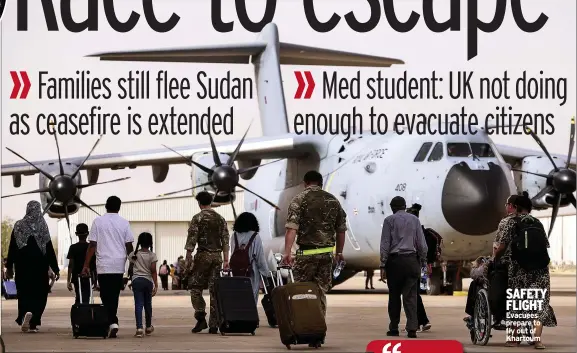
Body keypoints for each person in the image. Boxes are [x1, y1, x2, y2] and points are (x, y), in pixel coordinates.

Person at [281, 170, 347, 345]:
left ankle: (303, 329)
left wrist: (287, 253)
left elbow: (291, 229)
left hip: (306, 255)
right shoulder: (333, 201)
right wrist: (339, 253)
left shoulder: (299, 199)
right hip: (326, 255)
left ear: (305, 183)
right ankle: (318, 333)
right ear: (321, 183)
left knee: (300, 293)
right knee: (319, 293)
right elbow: (341, 230)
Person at [494, 192, 556, 349]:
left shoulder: (507, 222)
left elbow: (501, 246)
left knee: (517, 301)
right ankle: (538, 340)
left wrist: (494, 259)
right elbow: (545, 246)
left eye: (508, 205)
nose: (506, 207)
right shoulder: (537, 222)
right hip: (541, 268)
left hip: (518, 268)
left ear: (514, 207)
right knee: (539, 303)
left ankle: (513, 339)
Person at [81, 196, 134, 338]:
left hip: (103, 264)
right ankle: (112, 321)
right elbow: (129, 246)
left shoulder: (98, 222)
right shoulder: (124, 223)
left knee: (105, 295)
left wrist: (86, 265)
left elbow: (92, 245)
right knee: (114, 295)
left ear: (106, 206)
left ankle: (111, 322)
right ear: (119, 207)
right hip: (118, 264)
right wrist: (133, 264)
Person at [5, 201, 60, 333]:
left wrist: (9, 267)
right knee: (40, 294)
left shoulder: (18, 225)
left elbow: (12, 247)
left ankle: (25, 315)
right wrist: (55, 268)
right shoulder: (42, 225)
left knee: (24, 293)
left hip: (22, 267)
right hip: (39, 268)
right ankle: (33, 322)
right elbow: (49, 249)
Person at [380, 196, 427, 338]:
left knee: (394, 296)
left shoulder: (389, 220)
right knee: (411, 297)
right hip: (411, 261)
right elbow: (422, 245)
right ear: (404, 206)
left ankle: (394, 328)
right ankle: (412, 328)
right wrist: (423, 261)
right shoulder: (415, 220)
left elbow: (385, 244)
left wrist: (383, 265)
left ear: (392, 207)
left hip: (395, 263)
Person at [185, 191, 230, 334]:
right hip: (217, 257)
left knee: (195, 287)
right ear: (211, 202)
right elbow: (225, 240)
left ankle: (200, 317)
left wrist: (188, 256)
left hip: (203, 256)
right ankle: (214, 324)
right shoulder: (221, 219)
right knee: (214, 290)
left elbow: (192, 238)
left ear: (199, 203)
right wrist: (226, 259)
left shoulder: (197, 218)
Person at [229, 212, 270, 303]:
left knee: (238, 299)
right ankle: (249, 316)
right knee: (250, 300)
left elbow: (233, 253)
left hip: (236, 273)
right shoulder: (255, 236)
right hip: (251, 273)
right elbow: (260, 258)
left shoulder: (234, 235)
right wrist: (267, 274)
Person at [406, 204, 432, 332]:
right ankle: (418, 322)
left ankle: (419, 322)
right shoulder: (422, 231)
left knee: (411, 295)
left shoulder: (411, 232)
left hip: (411, 265)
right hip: (418, 266)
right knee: (414, 294)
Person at [128, 232, 158, 338]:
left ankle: (139, 328)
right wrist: (156, 285)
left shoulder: (134, 254)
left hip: (137, 281)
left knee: (138, 305)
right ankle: (148, 327)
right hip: (147, 281)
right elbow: (153, 271)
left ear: (139, 243)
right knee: (148, 304)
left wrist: (131, 280)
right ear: (150, 243)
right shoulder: (152, 255)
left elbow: (131, 269)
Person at [66, 224, 96, 304]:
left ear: (76, 234)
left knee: (78, 295)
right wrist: (96, 280)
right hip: (89, 276)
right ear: (88, 233)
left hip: (76, 276)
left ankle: (79, 311)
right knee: (87, 296)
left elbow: (70, 265)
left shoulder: (73, 247)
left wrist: (68, 280)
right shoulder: (91, 248)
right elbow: (94, 265)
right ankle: (85, 312)